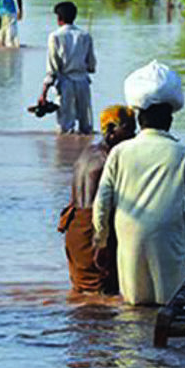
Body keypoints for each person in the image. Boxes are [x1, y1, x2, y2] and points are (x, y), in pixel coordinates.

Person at [92, 62, 185, 306]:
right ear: (170, 119)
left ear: (138, 119)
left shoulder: (119, 153)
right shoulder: (182, 154)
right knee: (169, 306)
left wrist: (101, 241)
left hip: (130, 238)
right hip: (169, 241)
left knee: (133, 308)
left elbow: (102, 203)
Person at [59, 105, 136, 295]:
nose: (134, 136)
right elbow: (105, 209)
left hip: (74, 228)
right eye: (128, 130)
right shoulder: (110, 160)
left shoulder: (87, 153)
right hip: (91, 230)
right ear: (110, 131)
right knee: (102, 294)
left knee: (82, 295)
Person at [38, 1, 96, 134]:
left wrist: (44, 93)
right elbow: (91, 66)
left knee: (64, 128)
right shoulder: (85, 36)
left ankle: (65, 153)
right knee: (86, 126)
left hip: (65, 84)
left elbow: (52, 69)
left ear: (59, 19)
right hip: (83, 83)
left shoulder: (55, 36)